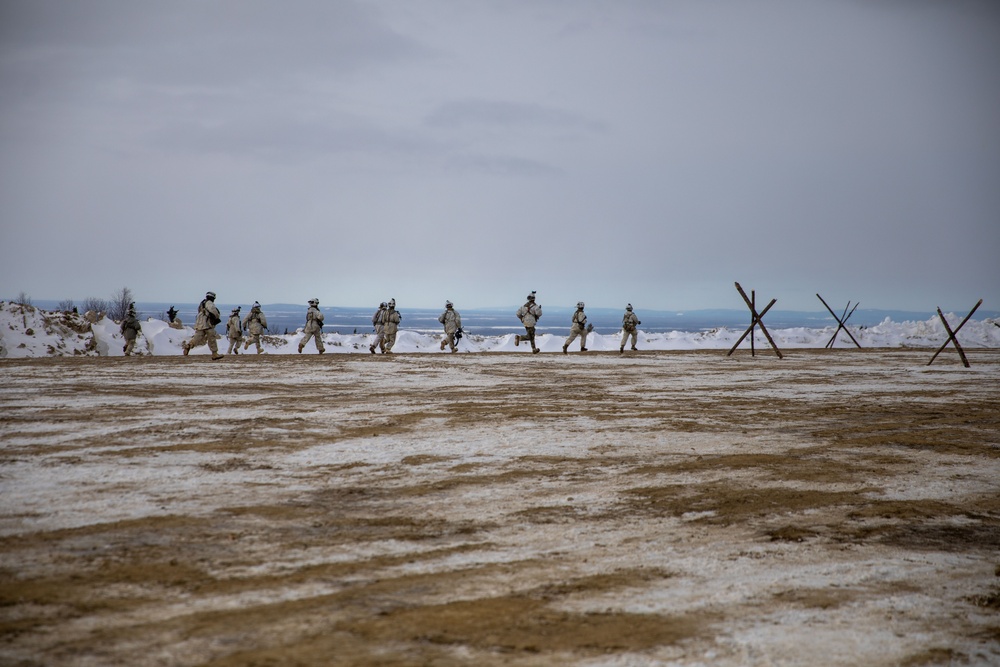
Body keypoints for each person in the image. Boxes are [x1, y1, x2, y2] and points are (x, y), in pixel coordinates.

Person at [183, 291, 223, 360]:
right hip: (207, 324)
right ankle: (214, 354)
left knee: (197, 337)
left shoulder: (202, 303)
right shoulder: (209, 303)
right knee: (211, 338)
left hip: (200, 323)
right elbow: (213, 311)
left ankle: (189, 345)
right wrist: (216, 317)